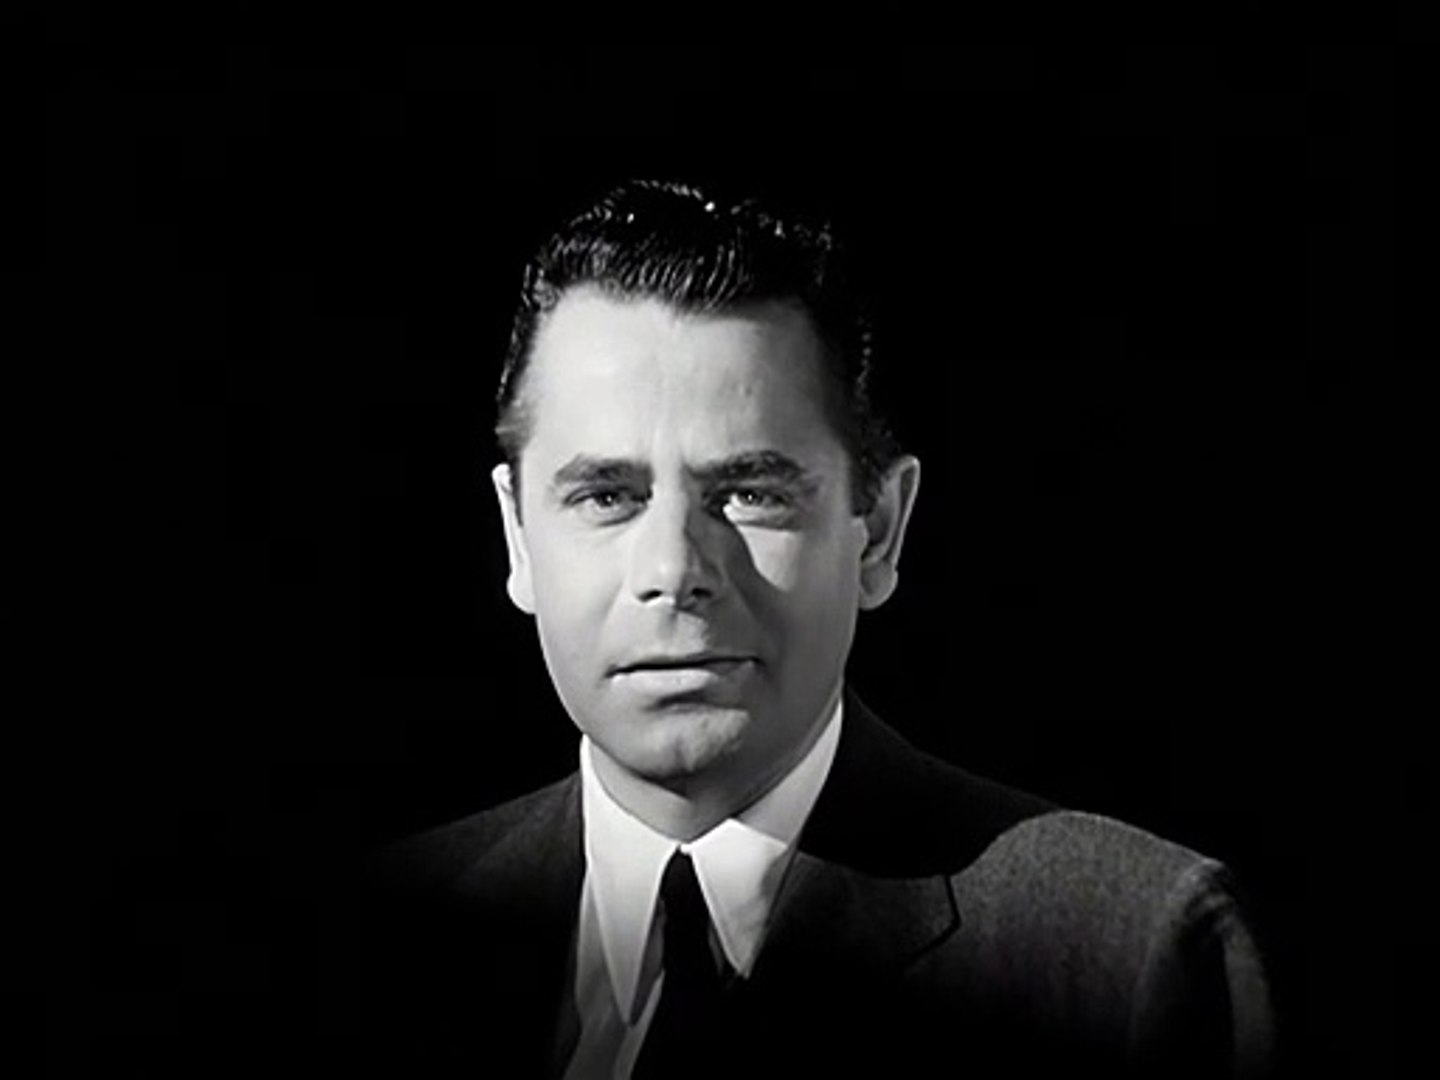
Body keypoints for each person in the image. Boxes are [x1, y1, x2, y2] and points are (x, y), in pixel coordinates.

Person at [363, 179, 1275, 1078]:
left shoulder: (1125, 963)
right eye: (607, 496)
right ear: (518, 537)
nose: (674, 570)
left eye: (749, 493)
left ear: (878, 532)